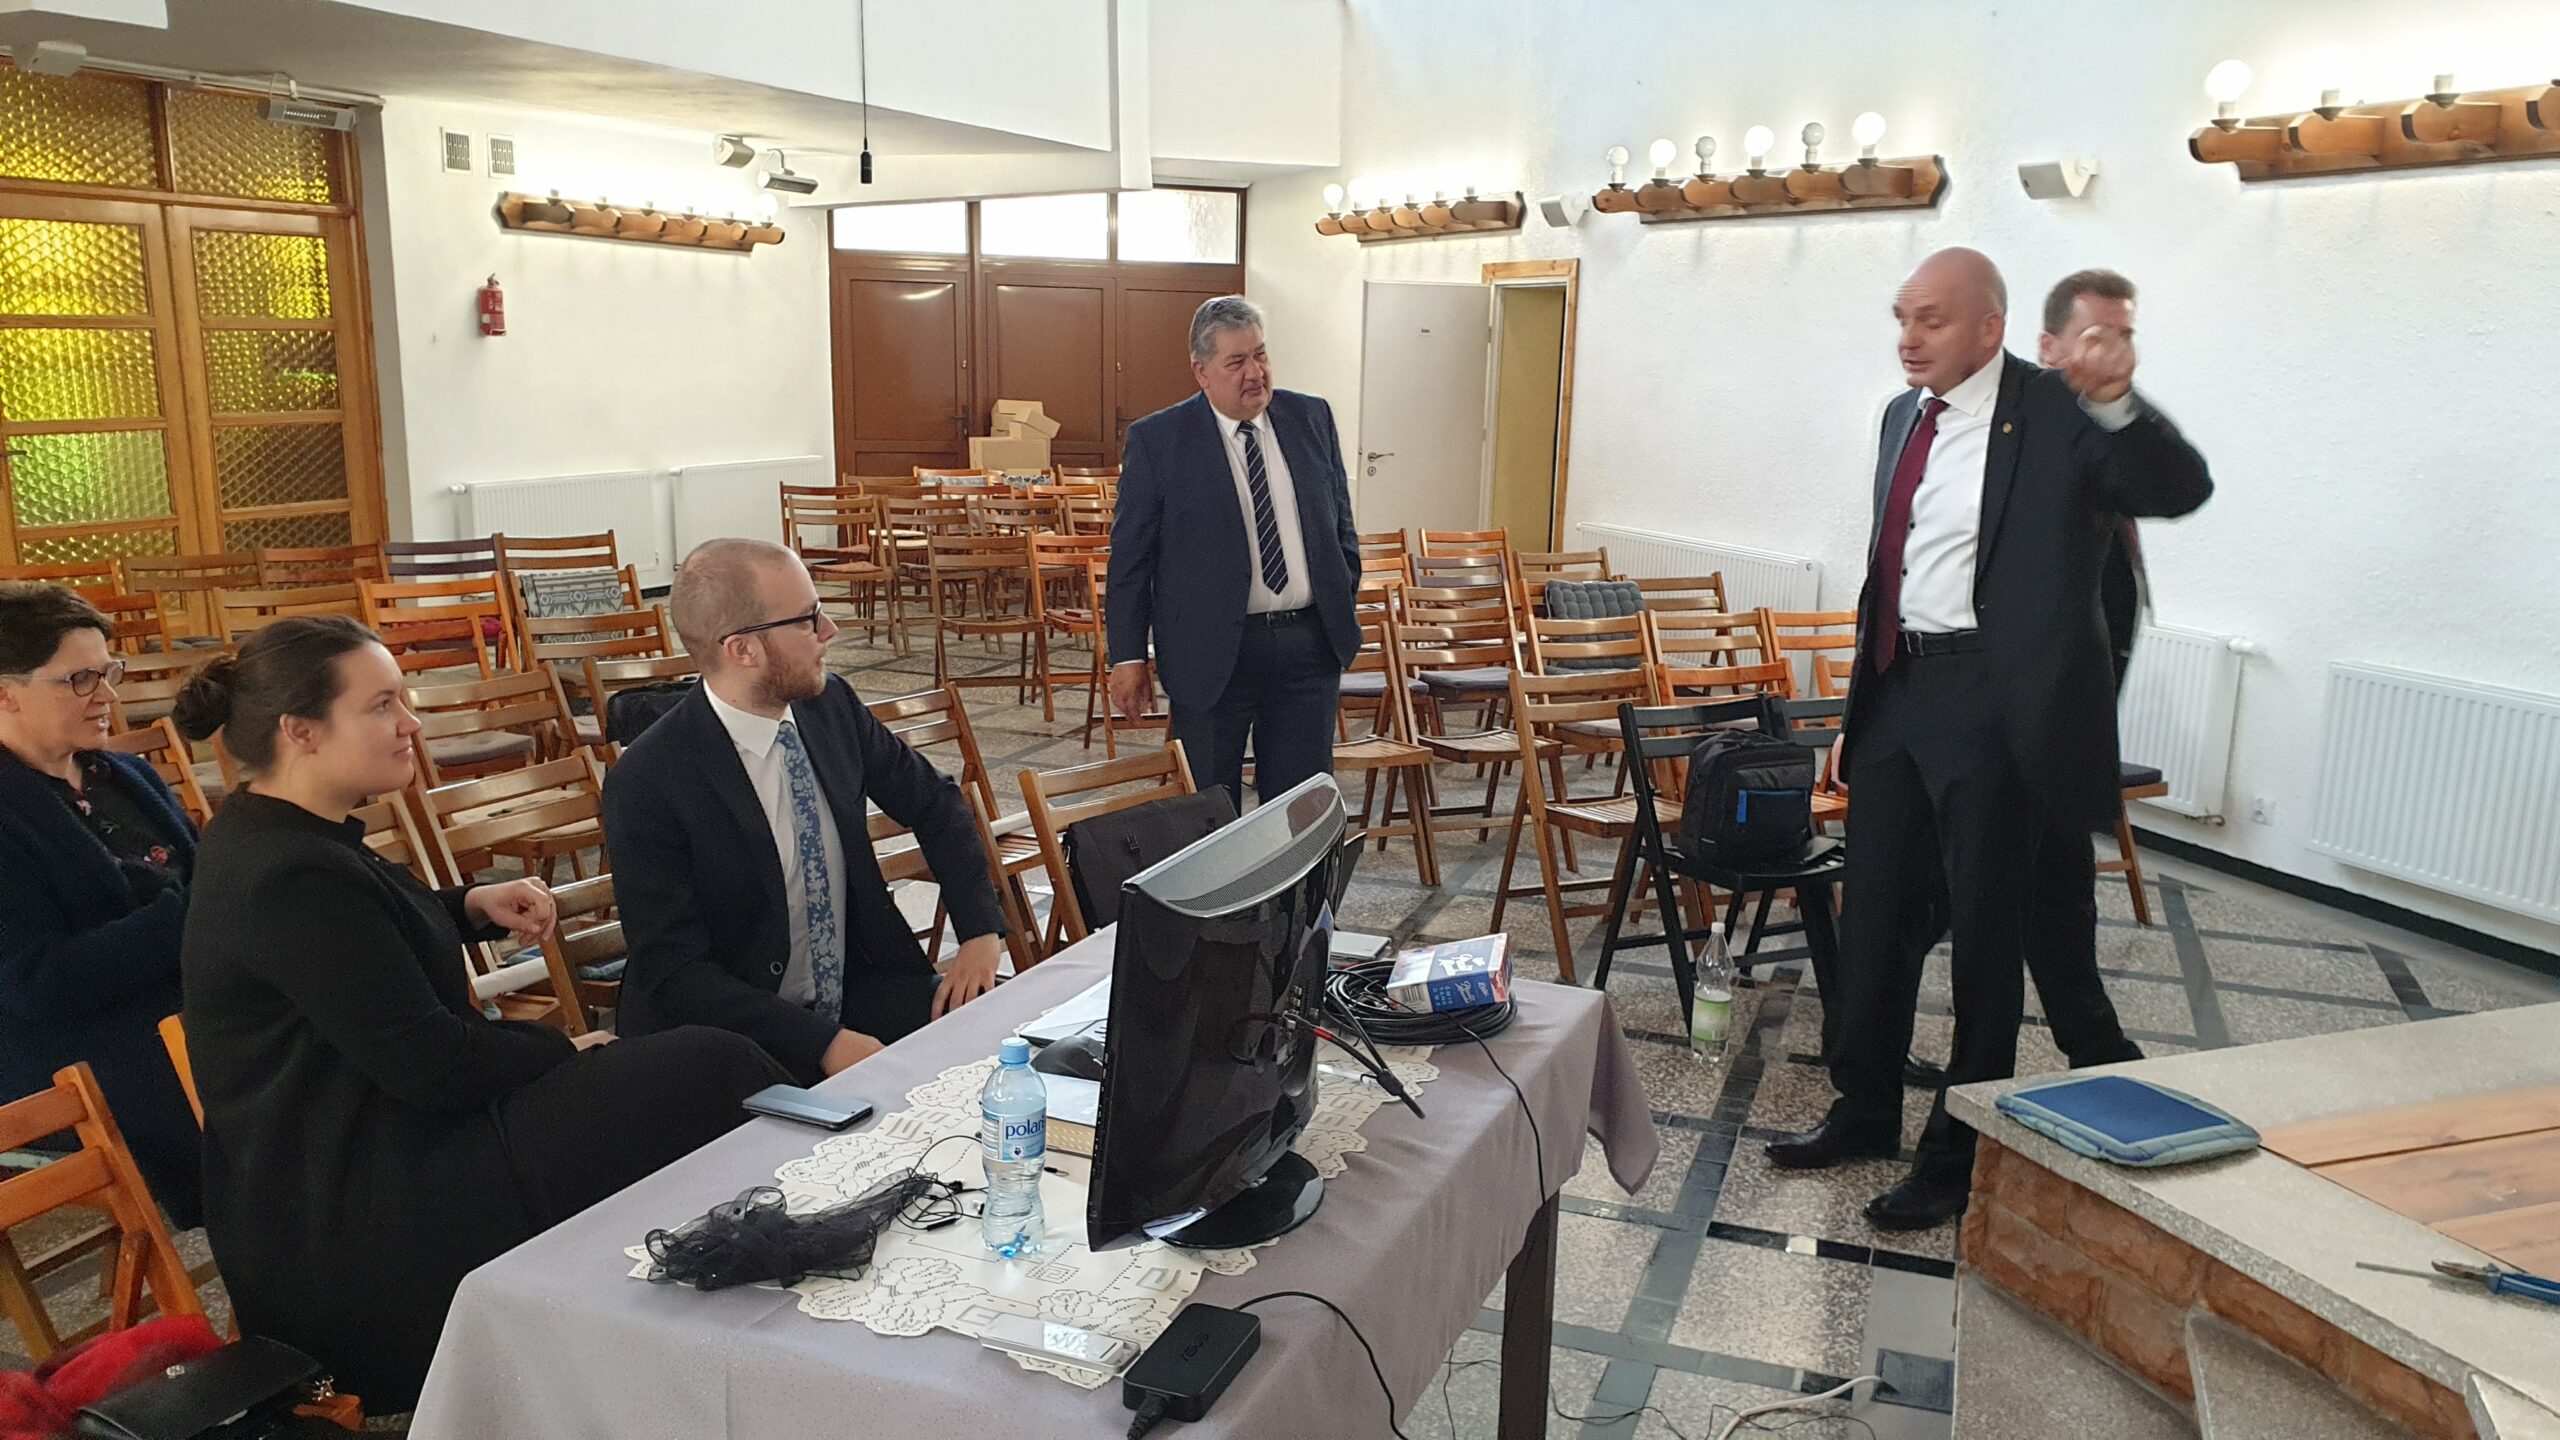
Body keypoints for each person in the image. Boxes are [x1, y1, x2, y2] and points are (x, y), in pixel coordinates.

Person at [176, 617, 787, 1411]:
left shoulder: (276, 833)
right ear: (302, 731)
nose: (411, 723)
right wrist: (564, 1049)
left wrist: (467, 906)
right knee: (705, 1068)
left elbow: (359, 943)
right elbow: (435, 1066)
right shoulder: (287, 875)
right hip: (365, 1213)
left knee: (694, 1072)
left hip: (394, 1148)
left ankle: (701, 1320)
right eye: (382, 705)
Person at [1764, 248, 2212, 1230]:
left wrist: (2117, 401)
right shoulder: (1903, 416)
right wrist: (1856, 710)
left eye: (1930, 319)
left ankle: (1956, 1152)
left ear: (1989, 327)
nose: (1908, 337)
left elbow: (2176, 486)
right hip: (1900, 687)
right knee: (1874, 913)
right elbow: (1890, 570)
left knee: (1984, 938)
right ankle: (1864, 1106)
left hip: (1995, 703)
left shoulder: (2056, 410)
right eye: (1901, 316)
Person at [603, 538, 1010, 1085]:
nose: (830, 631)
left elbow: (936, 803)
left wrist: (980, 932)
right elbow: (676, 972)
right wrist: (821, 1043)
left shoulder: (829, 706)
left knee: (1009, 1044)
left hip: (856, 990)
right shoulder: (648, 779)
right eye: (807, 619)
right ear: (742, 650)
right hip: (729, 1037)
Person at [1106, 295, 1364, 808]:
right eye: (1237, 361)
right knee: (1209, 805)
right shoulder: (1160, 441)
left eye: (1261, 355)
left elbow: (1340, 525)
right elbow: (1131, 561)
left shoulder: (1310, 417)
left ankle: (1296, 870)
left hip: (1307, 645)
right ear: (1202, 372)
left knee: (1302, 810)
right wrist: (1129, 656)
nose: (1255, 373)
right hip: (1210, 652)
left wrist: (1340, 592)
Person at [0, 583, 203, 1226]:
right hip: (65, 1057)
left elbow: (209, 885)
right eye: (80, 679)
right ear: (5, 693)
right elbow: (36, 984)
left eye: (109, 673)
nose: (108, 696)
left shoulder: (126, 776)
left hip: (177, 1013)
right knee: (285, 1098)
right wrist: (186, 917)